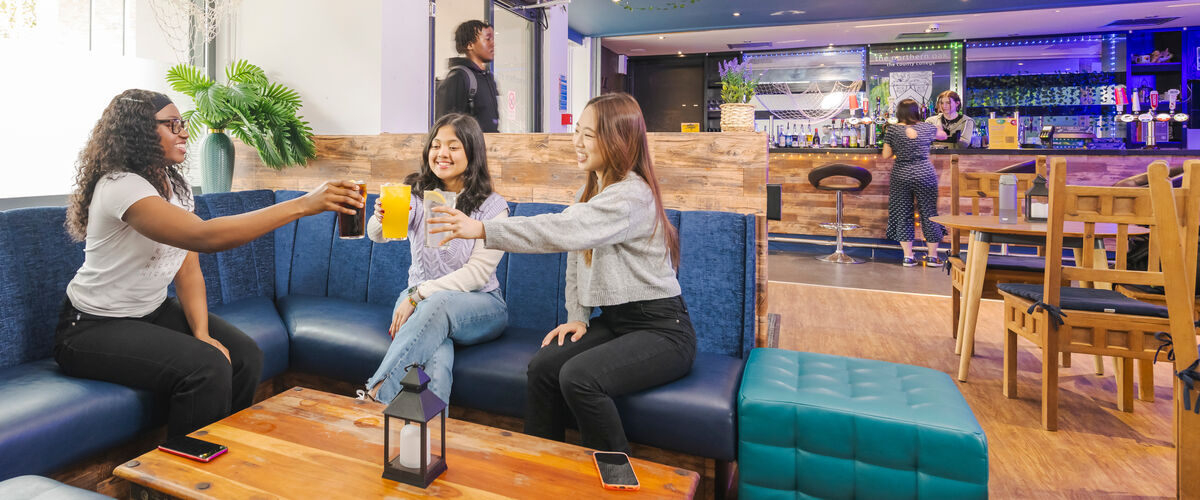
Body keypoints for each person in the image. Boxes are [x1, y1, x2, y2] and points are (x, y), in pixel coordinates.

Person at [55, 89, 364, 439]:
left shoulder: (175, 186)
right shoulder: (121, 186)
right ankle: (184, 468)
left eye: (183, 123)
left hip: (150, 312)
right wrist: (302, 205)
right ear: (138, 130)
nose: (185, 132)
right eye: (172, 124)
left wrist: (201, 332)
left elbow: (188, 267)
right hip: (92, 327)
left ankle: (223, 449)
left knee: (245, 356)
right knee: (207, 367)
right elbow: (204, 237)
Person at [429, 92, 695, 454]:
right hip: (617, 323)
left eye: (589, 134)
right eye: (577, 131)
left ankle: (616, 477)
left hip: (663, 330)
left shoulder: (632, 195)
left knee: (579, 377)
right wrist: (578, 317)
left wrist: (483, 229)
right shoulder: (591, 191)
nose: (577, 142)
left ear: (618, 140)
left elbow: (561, 230)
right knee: (543, 367)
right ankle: (545, 467)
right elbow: (576, 256)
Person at [359, 113, 509, 404]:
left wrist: (418, 295)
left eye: (453, 147)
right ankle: (429, 432)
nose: (441, 153)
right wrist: (380, 217)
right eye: (436, 145)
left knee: (437, 304)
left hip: (481, 304)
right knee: (438, 355)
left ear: (472, 152)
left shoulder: (493, 207)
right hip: (420, 300)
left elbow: (477, 275)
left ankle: (377, 393)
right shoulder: (416, 195)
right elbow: (379, 236)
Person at [881, 98, 948, 267]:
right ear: (917, 112)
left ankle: (908, 257)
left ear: (899, 113)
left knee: (903, 214)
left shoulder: (892, 129)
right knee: (929, 213)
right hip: (925, 173)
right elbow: (943, 135)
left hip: (901, 175)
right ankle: (932, 257)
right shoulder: (926, 127)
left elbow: (886, 155)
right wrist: (937, 123)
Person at [435, 20, 499, 133]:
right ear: (470, 45)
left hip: (490, 143)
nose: (492, 44)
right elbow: (446, 126)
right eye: (487, 39)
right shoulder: (458, 78)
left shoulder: (488, 77)